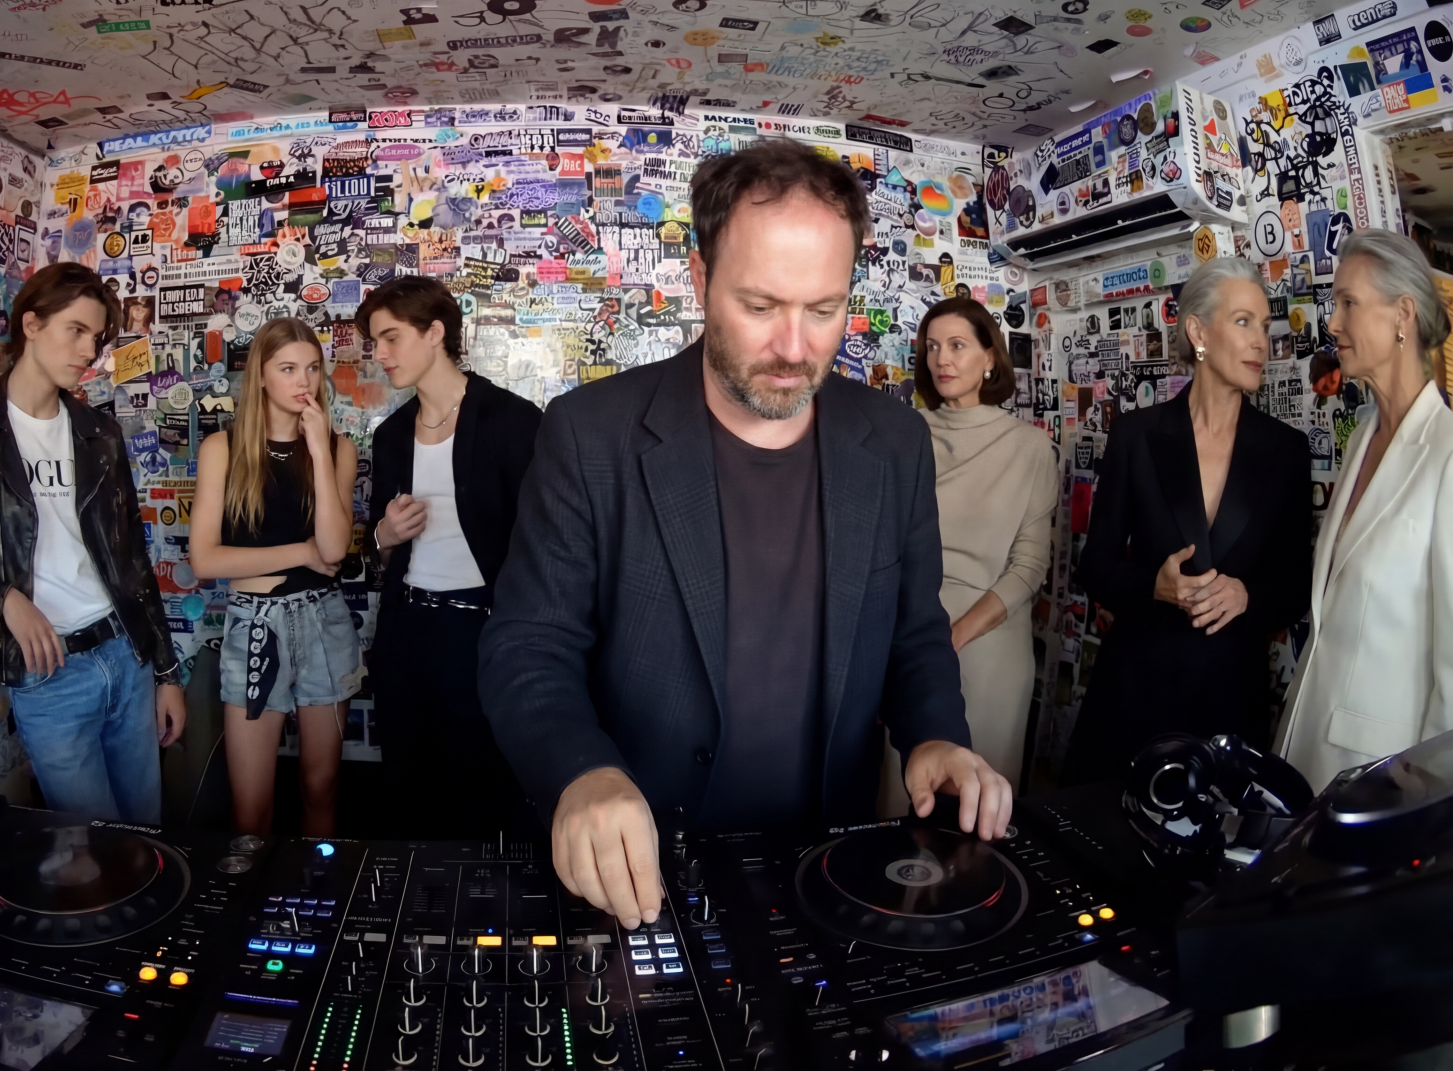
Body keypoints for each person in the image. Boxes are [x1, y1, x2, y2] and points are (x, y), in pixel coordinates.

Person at [480, 139, 1010, 929]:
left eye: (822, 310)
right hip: (642, 871)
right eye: (760, 307)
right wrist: (580, 770)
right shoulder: (588, 434)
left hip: (829, 865)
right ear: (699, 280)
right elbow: (528, 643)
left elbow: (913, 630)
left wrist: (933, 735)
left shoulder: (895, 441)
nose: (794, 348)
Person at [0, 262, 187, 823]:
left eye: (97, 337)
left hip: (126, 655)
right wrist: (2, 600)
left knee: (148, 837)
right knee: (88, 848)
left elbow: (132, 560)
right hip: (49, 677)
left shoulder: (100, 433)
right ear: (31, 324)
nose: (89, 350)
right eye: (76, 330)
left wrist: (166, 673)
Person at [1060, 259, 1312, 786]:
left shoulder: (1286, 449)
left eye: (1264, 325)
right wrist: (1153, 586)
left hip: (1230, 705)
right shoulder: (1135, 435)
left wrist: (1246, 596)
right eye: (1243, 322)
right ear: (1198, 332)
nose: (1261, 342)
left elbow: (1296, 585)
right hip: (1134, 696)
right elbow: (1096, 564)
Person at [360, 276, 542, 837]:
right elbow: (375, 549)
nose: (379, 354)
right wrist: (383, 535)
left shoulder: (513, 421)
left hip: (483, 633)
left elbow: (548, 545)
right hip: (406, 630)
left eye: (391, 338)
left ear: (435, 332)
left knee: (481, 788)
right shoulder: (391, 435)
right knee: (408, 787)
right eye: (374, 342)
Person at [1278, 230, 1453, 787]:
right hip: (1303, 753)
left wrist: (1423, 801)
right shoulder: (1360, 440)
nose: (1332, 323)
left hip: (1381, 780)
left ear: (1403, 315)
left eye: (1348, 302)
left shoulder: (1448, 452)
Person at [190, 318, 360, 837]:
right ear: (260, 375)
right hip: (254, 625)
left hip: (324, 623)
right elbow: (205, 562)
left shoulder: (339, 449)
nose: (303, 381)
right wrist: (302, 553)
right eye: (287, 369)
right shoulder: (222, 449)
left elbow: (334, 549)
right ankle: (253, 888)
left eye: (312, 368)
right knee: (251, 810)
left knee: (320, 788)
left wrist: (318, 450)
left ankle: (320, 884)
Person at [884, 296, 1056, 800]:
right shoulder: (902, 434)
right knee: (904, 804)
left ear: (990, 358)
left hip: (991, 647)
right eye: (933, 347)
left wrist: (953, 637)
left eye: (957, 345)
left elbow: (1030, 566)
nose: (942, 359)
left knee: (982, 810)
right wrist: (920, 649)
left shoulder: (1030, 447)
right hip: (910, 643)